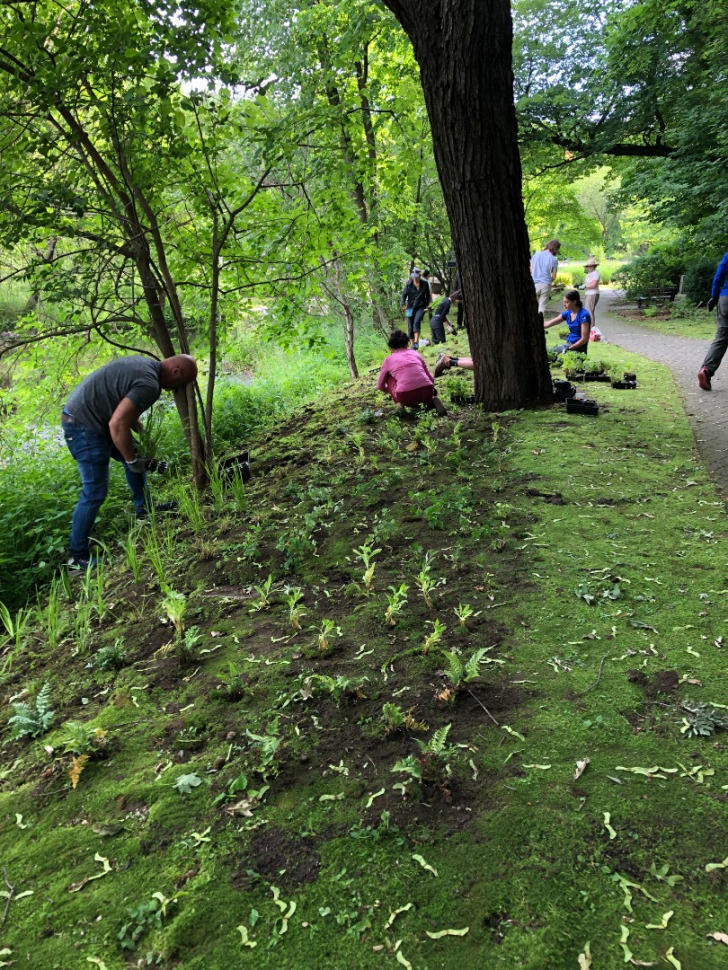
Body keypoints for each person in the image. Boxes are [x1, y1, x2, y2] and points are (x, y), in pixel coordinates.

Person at [62, 354, 198, 569]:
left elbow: (123, 406)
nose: (175, 390)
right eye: (178, 385)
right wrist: (131, 459)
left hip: (90, 418)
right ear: (176, 372)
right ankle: (76, 558)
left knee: (136, 455)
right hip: (85, 427)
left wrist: (142, 437)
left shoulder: (144, 365)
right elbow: (118, 423)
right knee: (95, 490)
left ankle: (145, 510)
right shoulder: (150, 384)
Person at [377, 329, 446, 415]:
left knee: (389, 378)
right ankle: (432, 398)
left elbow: (380, 386)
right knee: (423, 374)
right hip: (427, 390)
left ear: (391, 348)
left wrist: (392, 392)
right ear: (407, 344)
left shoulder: (388, 360)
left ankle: (401, 405)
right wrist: (431, 390)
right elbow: (430, 377)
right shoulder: (415, 354)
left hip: (405, 395)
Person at [698, 252, 728, 391]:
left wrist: (714, 296)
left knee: (721, 338)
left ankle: (706, 370)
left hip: (725, 298)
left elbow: (719, 275)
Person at [543, 288, 591, 354]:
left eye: (567, 302)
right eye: (564, 302)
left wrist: (571, 348)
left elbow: (584, 339)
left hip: (579, 349)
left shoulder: (583, 315)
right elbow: (549, 323)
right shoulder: (567, 313)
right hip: (568, 344)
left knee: (559, 360)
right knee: (549, 352)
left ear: (574, 302)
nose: (564, 304)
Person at [400, 268, 432, 350]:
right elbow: (403, 296)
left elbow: (428, 296)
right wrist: (403, 304)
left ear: (420, 276)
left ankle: (416, 342)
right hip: (410, 307)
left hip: (421, 305)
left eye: (416, 277)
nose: (414, 278)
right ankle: (412, 345)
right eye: (413, 276)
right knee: (410, 326)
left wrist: (429, 304)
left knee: (416, 321)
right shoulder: (408, 284)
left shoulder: (424, 283)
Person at [530, 239, 561, 314]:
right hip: (546, 284)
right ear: (556, 249)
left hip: (534, 283)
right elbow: (553, 276)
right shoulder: (554, 260)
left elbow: (531, 269)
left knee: (533, 305)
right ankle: (540, 323)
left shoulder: (536, 254)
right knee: (542, 306)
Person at [583, 257, 600, 327]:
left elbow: (594, 285)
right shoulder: (589, 274)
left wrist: (584, 287)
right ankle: (590, 327)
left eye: (590, 266)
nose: (589, 267)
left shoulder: (595, 273)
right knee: (588, 310)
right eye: (588, 266)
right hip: (588, 293)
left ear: (594, 266)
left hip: (593, 294)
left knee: (589, 311)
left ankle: (592, 328)